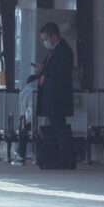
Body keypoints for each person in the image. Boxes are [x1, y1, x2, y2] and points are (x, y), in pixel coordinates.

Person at [29, 20, 76, 170]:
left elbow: (60, 72)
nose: (45, 42)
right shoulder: (53, 51)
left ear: (54, 36)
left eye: (45, 39)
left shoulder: (64, 51)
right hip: (51, 96)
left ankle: (65, 159)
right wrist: (41, 70)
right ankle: (60, 158)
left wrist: (43, 69)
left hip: (58, 97)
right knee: (57, 128)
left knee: (60, 128)